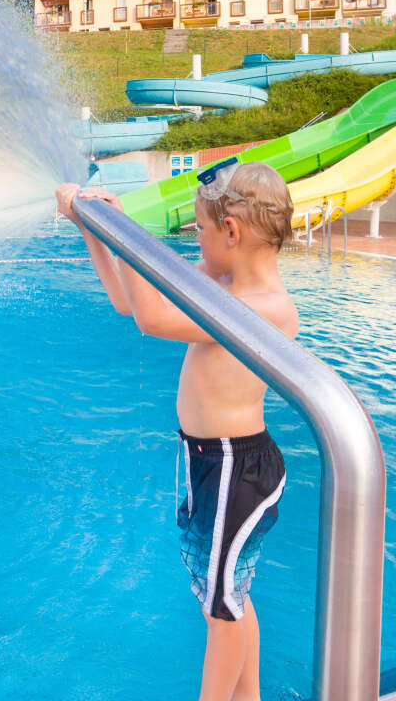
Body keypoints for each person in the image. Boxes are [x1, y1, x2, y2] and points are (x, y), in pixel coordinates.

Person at [56, 158, 296, 701]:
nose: (197, 241)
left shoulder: (265, 307)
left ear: (230, 232)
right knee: (229, 598)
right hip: (208, 461)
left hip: (238, 467)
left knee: (222, 610)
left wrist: (130, 239)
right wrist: (93, 229)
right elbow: (130, 302)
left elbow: (152, 319)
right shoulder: (223, 285)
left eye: (201, 230)